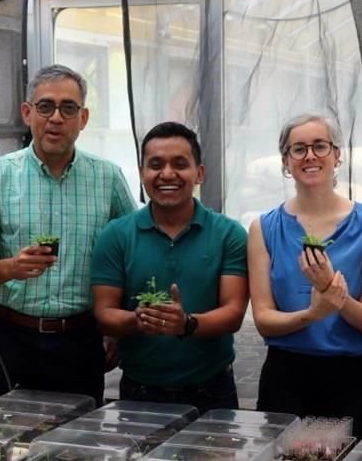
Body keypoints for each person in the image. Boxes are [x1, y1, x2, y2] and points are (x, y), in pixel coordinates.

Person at [0, 64, 135, 405]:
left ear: (83, 118)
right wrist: (12, 267)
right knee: (5, 442)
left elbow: (132, 254)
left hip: (80, 339)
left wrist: (115, 327)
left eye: (68, 108)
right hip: (9, 336)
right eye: (45, 106)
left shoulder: (107, 178)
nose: (56, 117)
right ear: (28, 113)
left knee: (77, 445)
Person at [91, 122, 249, 414]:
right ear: (141, 174)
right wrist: (140, 320)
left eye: (180, 164)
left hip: (212, 392)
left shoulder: (229, 234)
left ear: (199, 173)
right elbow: (104, 314)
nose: (167, 174)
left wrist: (186, 324)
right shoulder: (116, 235)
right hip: (139, 392)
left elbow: (233, 313)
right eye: (155, 165)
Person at [248, 113, 362, 440]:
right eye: (298, 149)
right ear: (285, 161)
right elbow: (264, 319)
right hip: (286, 379)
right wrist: (312, 314)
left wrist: (330, 292)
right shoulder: (264, 228)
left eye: (320, 146)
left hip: (352, 379)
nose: (310, 156)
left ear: (337, 155)